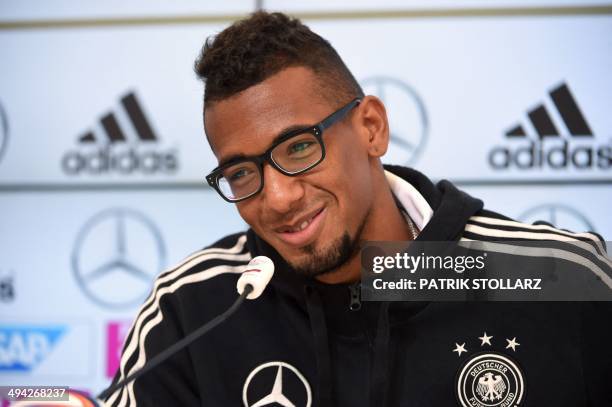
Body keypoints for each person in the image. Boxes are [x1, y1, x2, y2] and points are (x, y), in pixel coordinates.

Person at [101, 11, 612, 407]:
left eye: (300, 147)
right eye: (241, 173)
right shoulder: (190, 311)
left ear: (371, 128)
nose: (278, 198)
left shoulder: (562, 283)